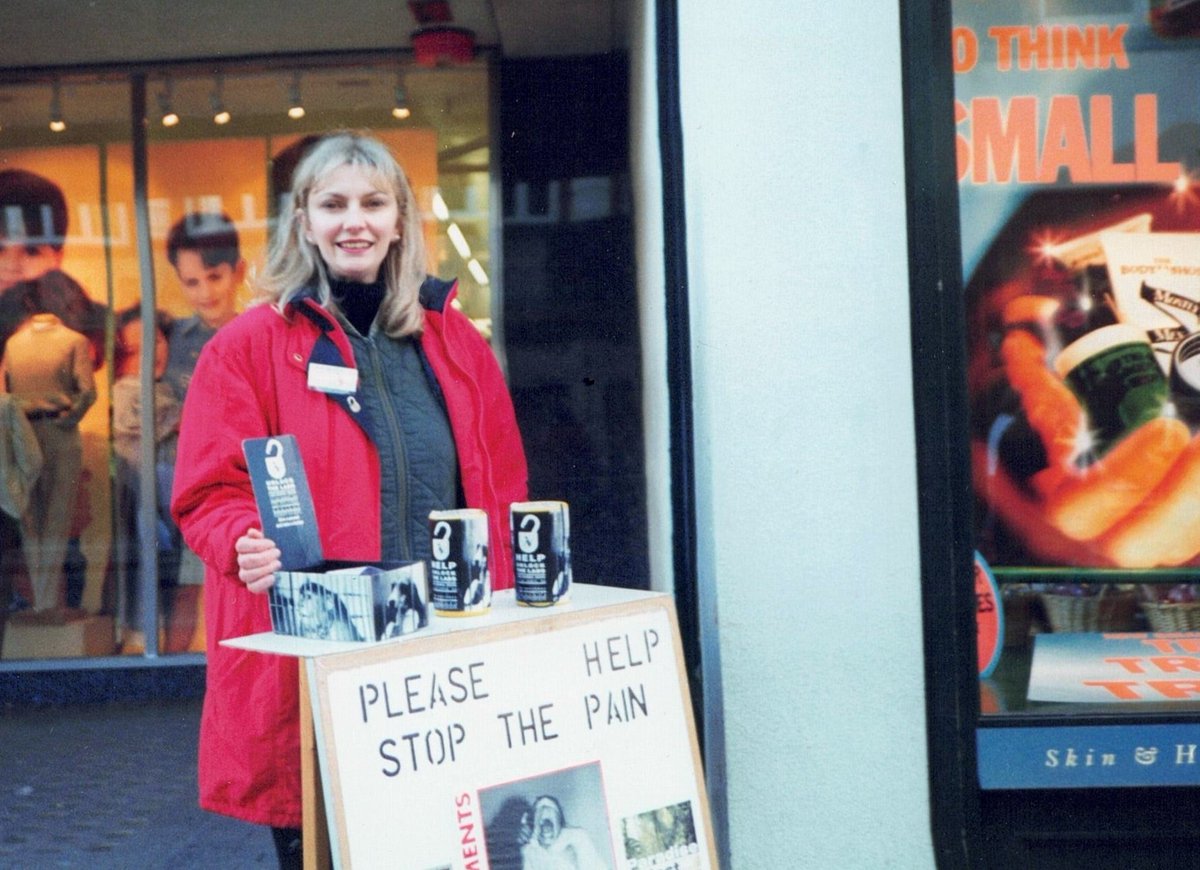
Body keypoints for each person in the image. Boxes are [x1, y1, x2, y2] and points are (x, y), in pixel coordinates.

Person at [170, 130, 528, 868]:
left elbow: (501, 487)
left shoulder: (455, 342)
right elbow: (209, 492)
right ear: (304, 221)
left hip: (437, 658)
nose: (354, 222)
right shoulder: (246, 348)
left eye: (373, 204)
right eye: (333, 205)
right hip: (318, 664)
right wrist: (241, 540)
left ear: (400, 221)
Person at [111, 305, 183, 652]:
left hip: (167, 499)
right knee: (145, 565)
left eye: (155, 341)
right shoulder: (128, 392)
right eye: (136, 348)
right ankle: (141, 640)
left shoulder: (164, 390)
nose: (150, 354)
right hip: (141, 495)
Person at [163, 211, 245, 403]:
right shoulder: (167, 338)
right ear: (180, 282)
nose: (206, 293)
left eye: (214, 277)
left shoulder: (257, 338)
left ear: (239, 272)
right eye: (192, 282)